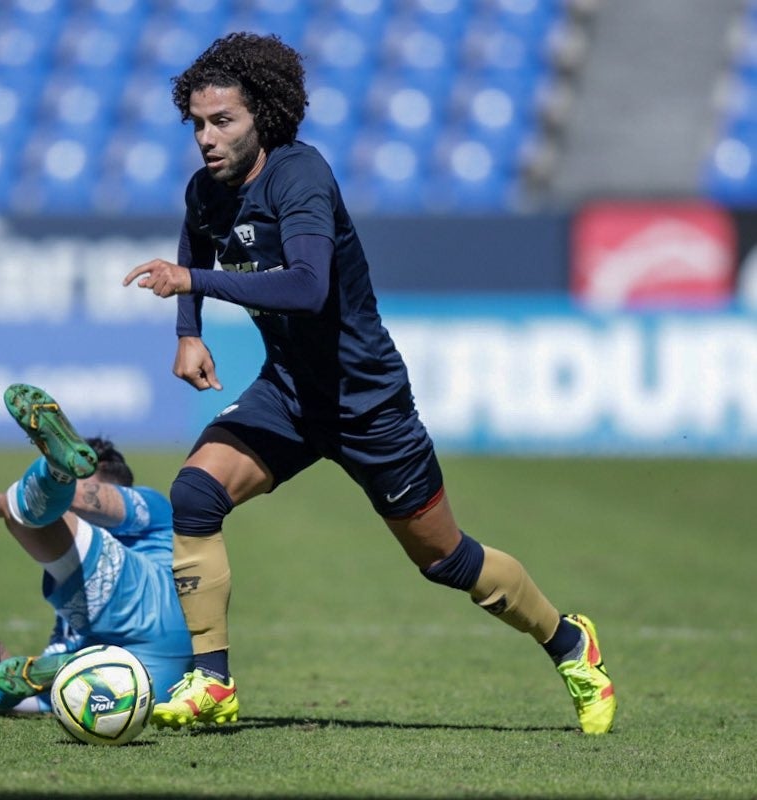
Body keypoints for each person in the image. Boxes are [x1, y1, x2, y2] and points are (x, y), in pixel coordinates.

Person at [122, 32, 616, 734]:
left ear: (264, 113)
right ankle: (213, 684)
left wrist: (192, 283)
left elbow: (306, 286)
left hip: (367, 403)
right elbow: (193, 244)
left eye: (222, 121)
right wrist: (188, 330)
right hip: (290, 393)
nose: (206, 137)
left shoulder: (300, 177)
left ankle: (569, 642)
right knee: (195, 495)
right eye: (197, 123)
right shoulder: (207, 189)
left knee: (447, 560)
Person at [0, 383, 193, 716]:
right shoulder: (75, 604)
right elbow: (30, 679)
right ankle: (56, 472)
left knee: (26, 512)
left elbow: (76, 501)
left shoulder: (153, 509)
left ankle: (57, 470)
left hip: (155, 604)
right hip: (139, 687)